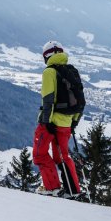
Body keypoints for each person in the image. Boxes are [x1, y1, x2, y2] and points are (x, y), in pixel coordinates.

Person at [32, 40, 82, 197]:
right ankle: (73, 190)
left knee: (39, 154)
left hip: (51, 121)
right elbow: (80, 101)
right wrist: (74, 122)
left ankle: (52, 187)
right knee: (62, 156)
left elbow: (48, 100)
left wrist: (46, 122)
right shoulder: (72, 71)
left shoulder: (49, 72)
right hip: (67, 123)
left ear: (47, 56)